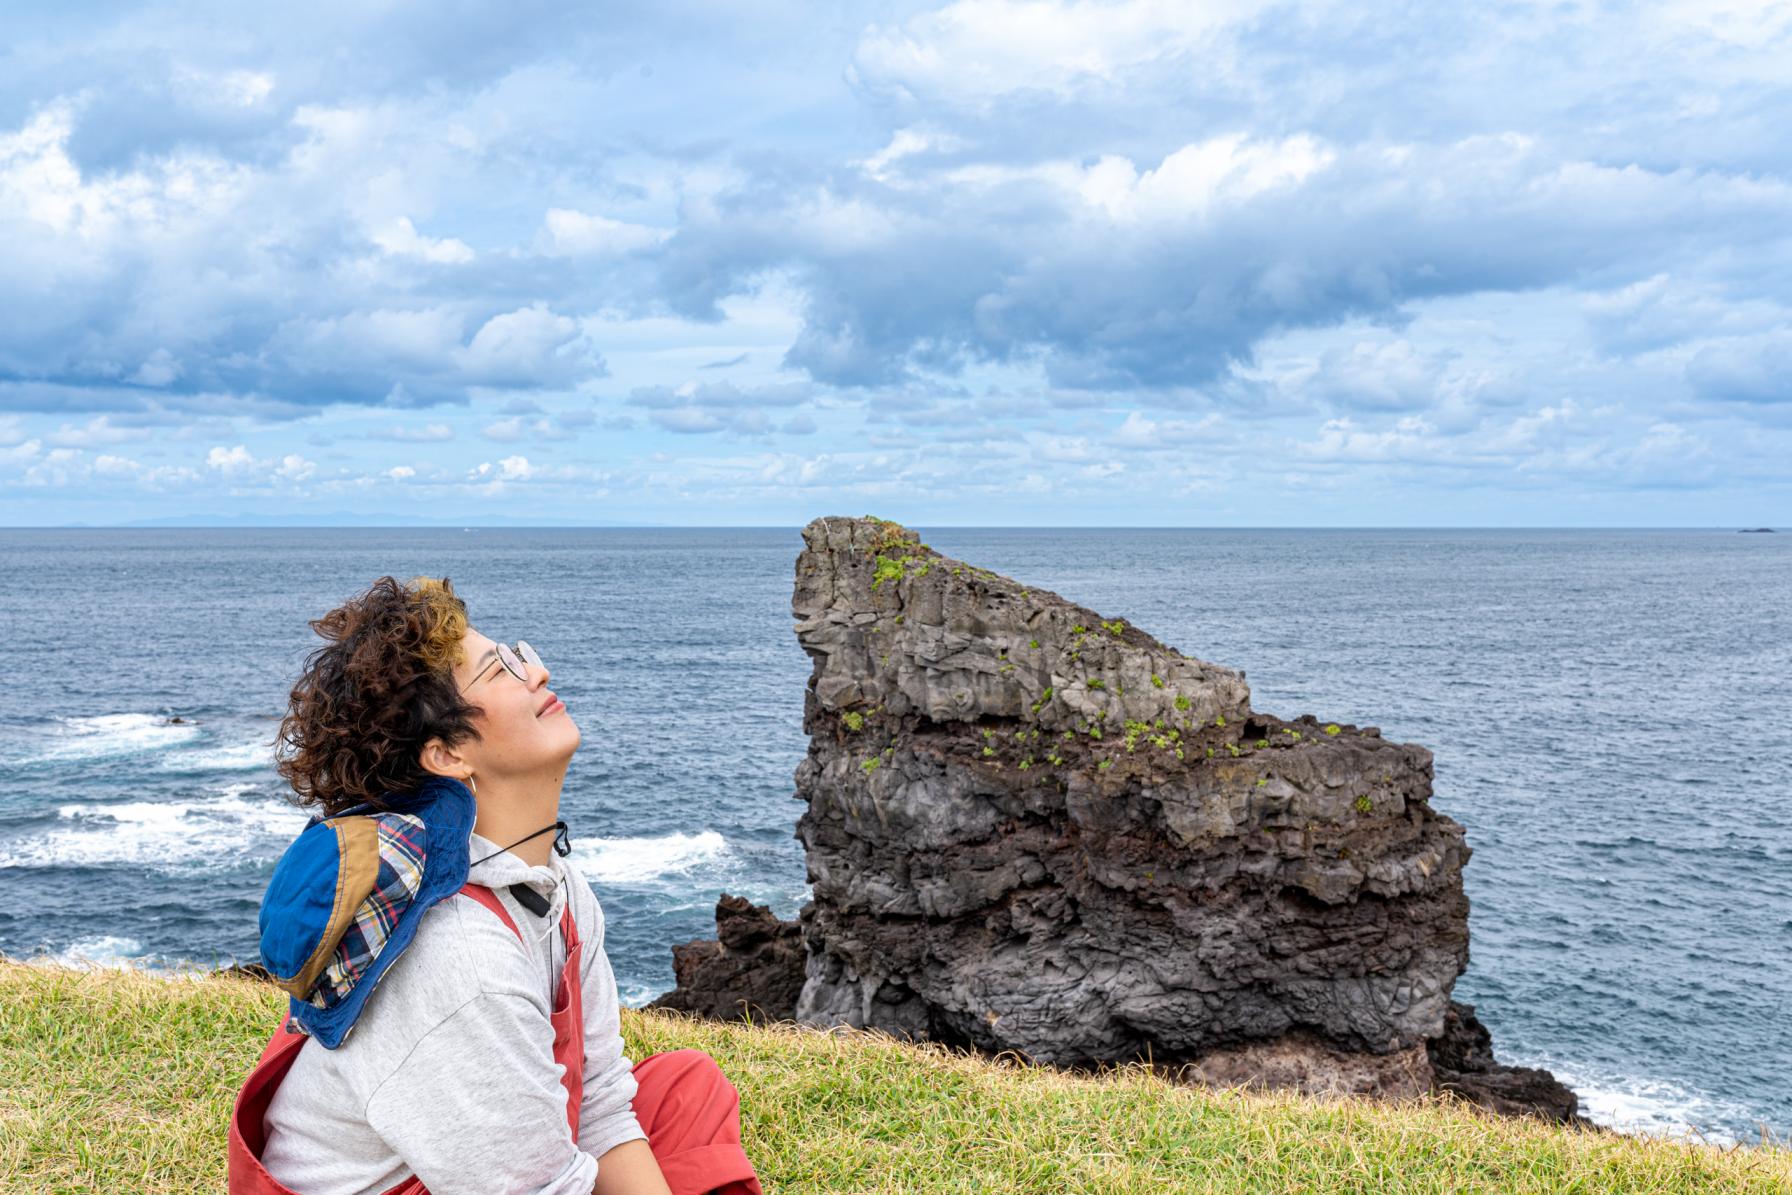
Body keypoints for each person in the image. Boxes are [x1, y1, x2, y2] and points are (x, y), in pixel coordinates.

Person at [228, 575, 763, 1195]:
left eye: (517, 657)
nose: (537, 672)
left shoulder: (554, 888)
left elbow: (597, 1104)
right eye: (501, 671)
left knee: (681, 1088)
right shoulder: (459, 956)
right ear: (448, 755)